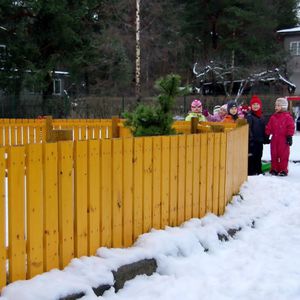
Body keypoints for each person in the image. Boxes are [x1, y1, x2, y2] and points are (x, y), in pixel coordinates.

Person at [265, 97, 295, 176]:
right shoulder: (273, 117)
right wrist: (267, 134)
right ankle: (274, 169)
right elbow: (269, 127)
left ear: (283, 107)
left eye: (278, 105)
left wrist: (289, 136)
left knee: (283, 155)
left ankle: (283, 169)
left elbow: (291, 127)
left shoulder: (288, 117)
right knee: (274, 154)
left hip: (283, 140)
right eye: (275, 105)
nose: (276, 107)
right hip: (274, 139)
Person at [246, 95, 268, 175]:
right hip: (252, 141)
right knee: (252, 156)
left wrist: (265, 138)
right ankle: (251, 171)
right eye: (254, 105)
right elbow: (248, 129)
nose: (255, 106)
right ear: (251, 106)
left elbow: (264, 129)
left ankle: (258, 170)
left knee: (259, 155)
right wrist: (250, 140)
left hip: (260, 141)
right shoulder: (249, 116)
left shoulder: (262, 117)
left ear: (260, 105)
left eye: (257, 104)